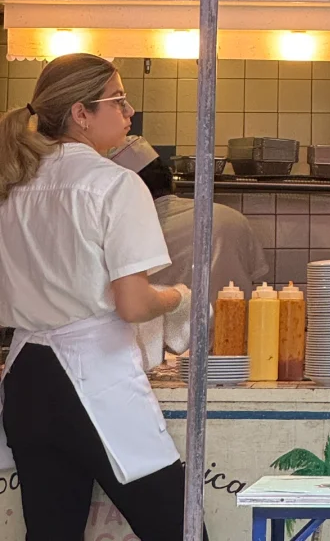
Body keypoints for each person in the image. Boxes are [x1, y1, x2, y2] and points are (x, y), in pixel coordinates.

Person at [0, 53, 203, 541]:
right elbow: (132, 303)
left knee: (51, 534)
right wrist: (177, 296)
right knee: (179, 531)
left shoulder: (13, 188)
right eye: (118, 100)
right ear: (80, 113)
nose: (130, 112)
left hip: (26, 379)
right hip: (92, 378)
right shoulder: (115, 185)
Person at [112, 136, 269, 299]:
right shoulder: (231, 218)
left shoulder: (128, 235)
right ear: (171, 179)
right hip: (233, 322)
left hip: (162, 324)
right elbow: (258, 275)